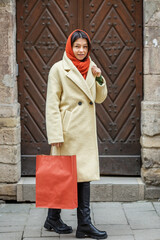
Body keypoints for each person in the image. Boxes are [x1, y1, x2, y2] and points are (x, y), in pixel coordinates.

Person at [44, 29, 108, 239]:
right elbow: (52, 104)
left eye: (84, 46)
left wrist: (99, 79)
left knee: (83, 176)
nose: (81, 50)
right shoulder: (58, 69)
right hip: (67, 131)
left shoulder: (91, 67)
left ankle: (82, 224)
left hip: (85, 131)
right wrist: (54, 134)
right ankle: (56, 219)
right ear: (70, 47)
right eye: (77, 46)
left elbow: (99, 99)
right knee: (61, 174)